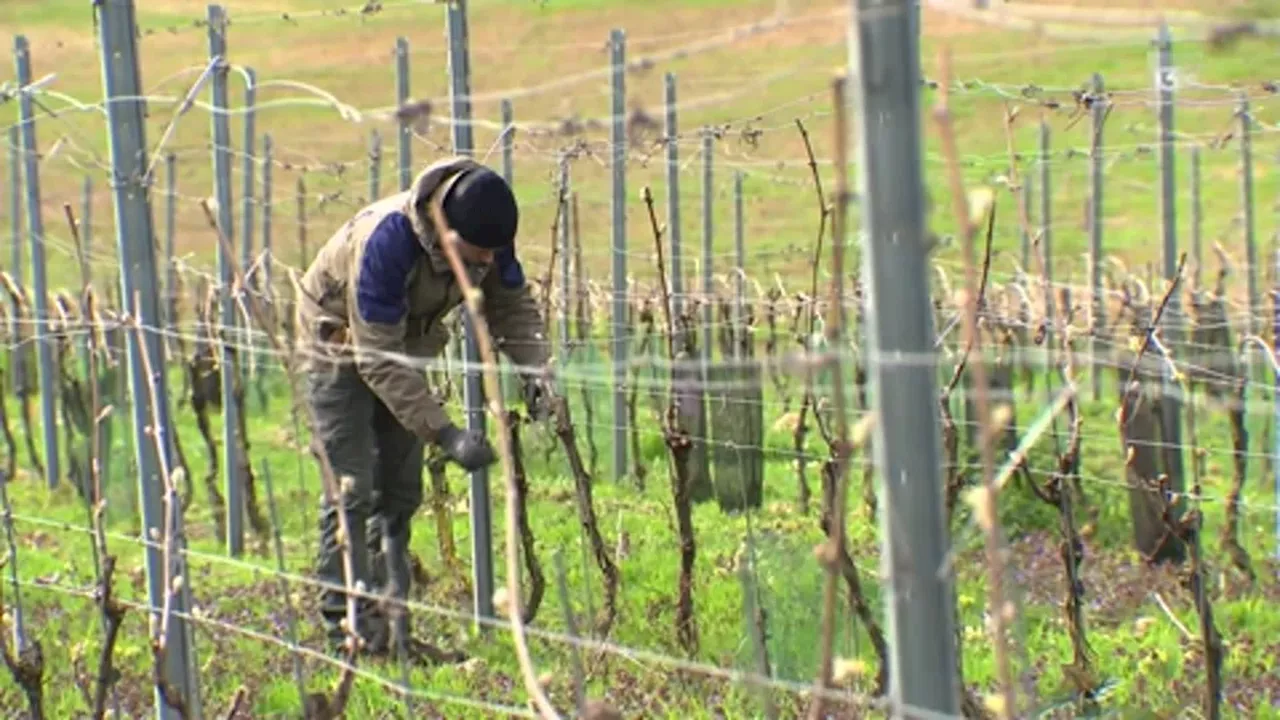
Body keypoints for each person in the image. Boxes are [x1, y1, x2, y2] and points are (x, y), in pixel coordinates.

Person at [294, 155, 552, 657]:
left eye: (490, 257)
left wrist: (536, 371)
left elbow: (512, 306)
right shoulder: (387, 241)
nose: (485, 266)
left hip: (402, 349)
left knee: (401, 492)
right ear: (445, 232)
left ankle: (390, 632)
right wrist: (445, 432)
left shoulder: (489, 236)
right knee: (351, 490)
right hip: (336, 349)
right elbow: (375, 360)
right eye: (475, 257)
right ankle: (346, 634)